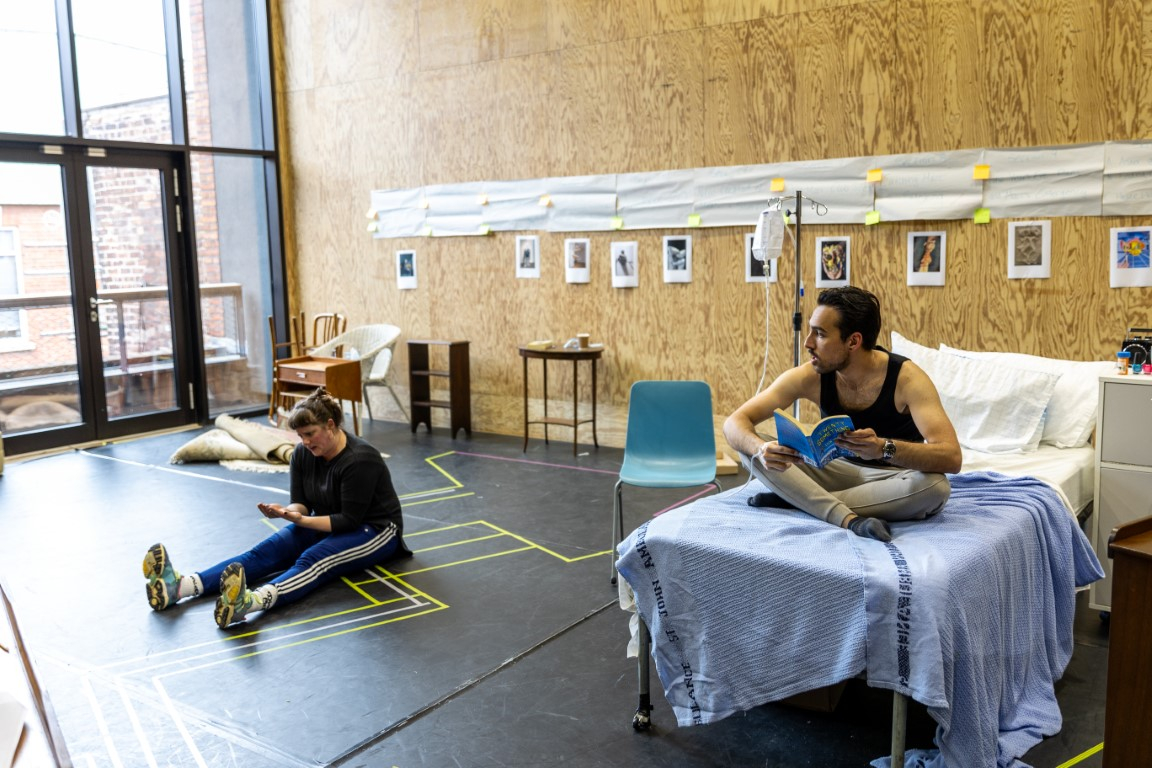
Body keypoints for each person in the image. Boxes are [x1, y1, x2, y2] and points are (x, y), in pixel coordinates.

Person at [143, 388, 411, 628]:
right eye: (300, 435)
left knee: (315, 559)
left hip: (374, 530)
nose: (305, 441)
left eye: (310, 434)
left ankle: (250, 603)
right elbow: (303, 504)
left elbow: (348, 521)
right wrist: (286, 512)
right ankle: (179, 587)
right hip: (330, 520)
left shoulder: (360, 460)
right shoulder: (303, 453)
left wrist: (300, 521)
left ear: (330, 425)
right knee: (265, 551)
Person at [723, 286, 961, 541]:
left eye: (820, 334)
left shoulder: (907, 379)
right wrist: (761, 448)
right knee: (748, 445)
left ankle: (797, 499)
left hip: (890, 478)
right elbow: (734, 423)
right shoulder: (811, 375)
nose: (808, 343)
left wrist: (883, 448)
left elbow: (951, 457)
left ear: (853, 341)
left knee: (935, 488)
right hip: (833, 472)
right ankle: (848, 518)